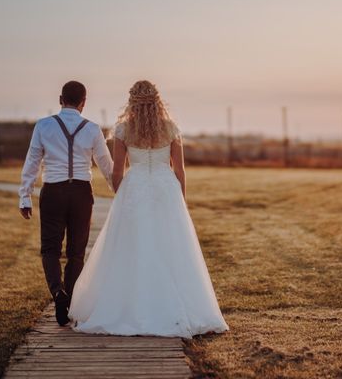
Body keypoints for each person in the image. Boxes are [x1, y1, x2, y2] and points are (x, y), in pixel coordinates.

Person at [68, 80, 229, 338]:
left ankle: (133, 306)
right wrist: (181, 200)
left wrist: (123, 196)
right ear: (157, 101)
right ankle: (175, 307)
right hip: (166, 190)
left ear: (132, 102)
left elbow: (117, 172)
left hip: (136, 188)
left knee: (133, 247)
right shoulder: (171, 129)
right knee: (171, 246)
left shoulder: (123, 130)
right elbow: (180, 171)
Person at [18, 80, 113, 326]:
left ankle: (57, 292)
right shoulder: (92, 129)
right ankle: (69, 300)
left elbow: (32, 162)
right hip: (81, 192)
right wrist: (119, 190)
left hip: (53, 191)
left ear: (60, 99)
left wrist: (25, 195)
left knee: (50, 248)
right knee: (76, 251)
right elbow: (106, 165)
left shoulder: (43, 126)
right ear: (83, 102)